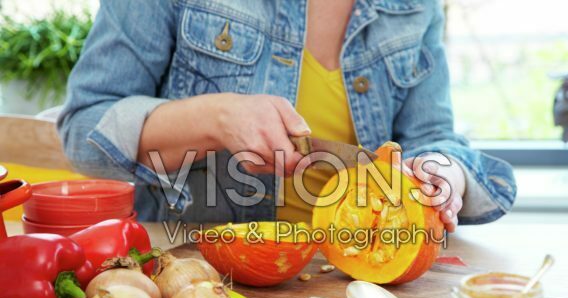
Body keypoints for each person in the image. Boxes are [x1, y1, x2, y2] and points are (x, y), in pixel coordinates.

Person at [58, 0, 516, 232]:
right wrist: (215, 118)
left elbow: (432, 136)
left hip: (364, 281)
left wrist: (444, 171)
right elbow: (84, 131)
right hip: (200, 276)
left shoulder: (415, 6)